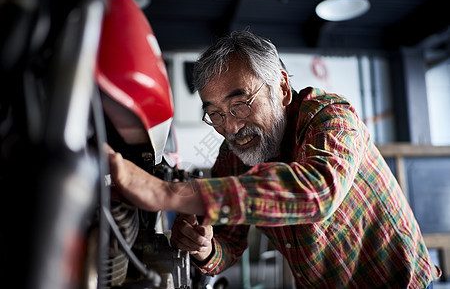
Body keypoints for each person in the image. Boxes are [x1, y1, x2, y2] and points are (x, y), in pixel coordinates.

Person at [106, 30, 441, 288]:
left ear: (281, 87)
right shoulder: (233, 156)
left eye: (240, 104)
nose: (232, 127)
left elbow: (317, 192)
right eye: (216, 114)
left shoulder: (331, 117)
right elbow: (227, 246)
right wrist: (204, 247)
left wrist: (164, 194)